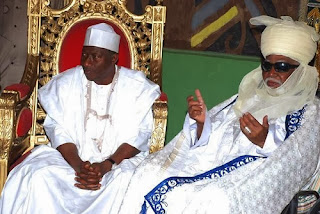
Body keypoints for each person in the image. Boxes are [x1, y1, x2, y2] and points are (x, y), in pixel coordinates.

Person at [116, 16, 320, 213]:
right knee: (146, 173)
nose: (271, 73)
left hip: (254, 176)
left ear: (302, 70)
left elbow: (300, 159)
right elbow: (213, 139)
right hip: (213, 165)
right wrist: (203, 124)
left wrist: (265, 141)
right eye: (267, 65)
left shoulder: (311, 111)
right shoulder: (251, 96)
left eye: (282, 67)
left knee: (215, 200)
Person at [0, 23, 160, 213]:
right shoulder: (66, 83)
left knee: (128, 183)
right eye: (85, 55)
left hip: (118, 163)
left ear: (113, 59)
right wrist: (78, 166)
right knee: (38, 176)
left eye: (96, 56)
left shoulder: (137, 87)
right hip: (69, 160)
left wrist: (107, 164)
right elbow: (57, 129)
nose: (87, 62)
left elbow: (140, 134)